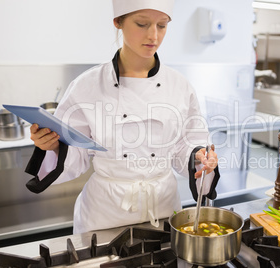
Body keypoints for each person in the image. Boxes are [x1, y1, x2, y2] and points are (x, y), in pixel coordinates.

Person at [25, 0, 220, 234]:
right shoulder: (87, 86)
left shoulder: (179, 86)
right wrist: (52, 145)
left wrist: (199, 157)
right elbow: (74, 151)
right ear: (118, 22)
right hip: (105, 214)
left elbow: (184, 145)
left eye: (162, 25)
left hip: (163, 209)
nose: (153, 36)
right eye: (142, 24)